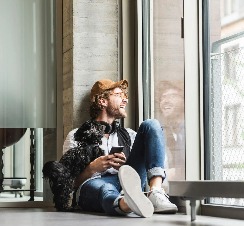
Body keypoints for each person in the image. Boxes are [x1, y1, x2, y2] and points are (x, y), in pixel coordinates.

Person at [62, 79, 178, 217]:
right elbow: (66, 184)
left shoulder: (130, 135)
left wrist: (125, 168)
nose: (125, 100)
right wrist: (93, 168)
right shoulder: (76, 136)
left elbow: (159, 160)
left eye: (125, 96)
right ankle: (126, 204)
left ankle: (155, 192)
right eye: (118, 95)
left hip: (128, 183)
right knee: (105, 188)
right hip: (93, 185)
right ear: (102, 101)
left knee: (151, 124)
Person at [158, 81, 185, 180]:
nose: (165, 101)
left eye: (172, 96)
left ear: (184, 100)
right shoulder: (163, 132)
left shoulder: (191, 131)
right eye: (163, 98)